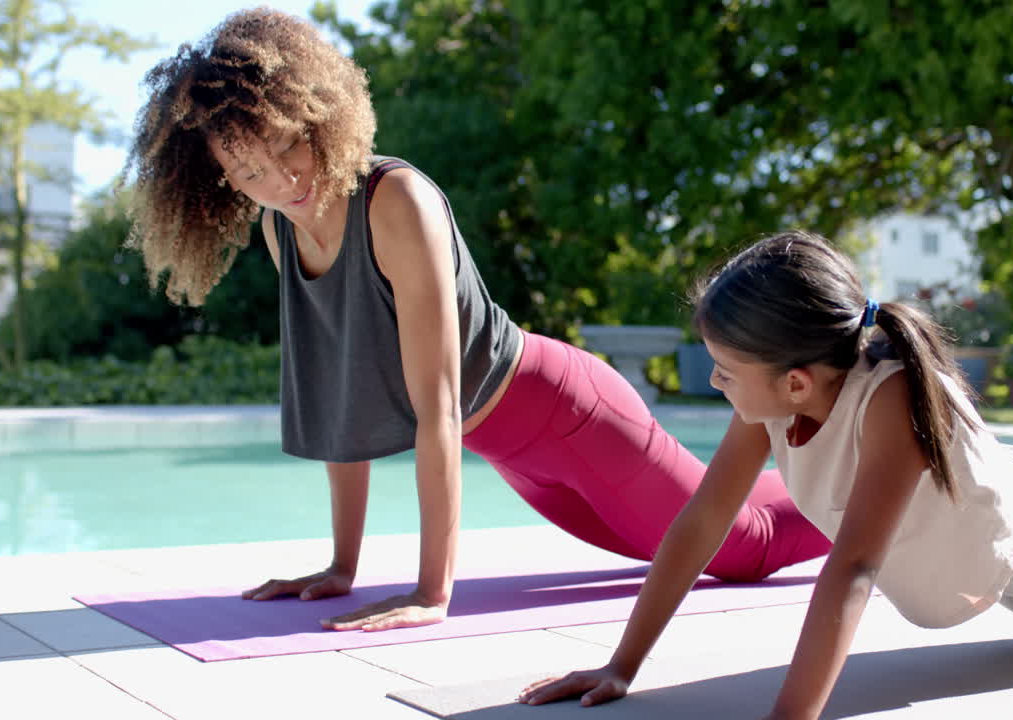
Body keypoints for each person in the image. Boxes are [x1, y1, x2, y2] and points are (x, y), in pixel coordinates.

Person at [120, 8, 830, 633]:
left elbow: (439, 408)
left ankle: (893, 479)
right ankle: (843, 468)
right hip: (521, 460)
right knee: (697, 524)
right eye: (248, 175)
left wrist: (434, 592)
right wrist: (342, 567)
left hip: (569, 416)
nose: (281, 182)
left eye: (286, 146)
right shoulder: (281, 232)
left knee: (744, 551)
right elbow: (342, 394)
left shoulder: (396, 202)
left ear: (317, 116)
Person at [519, 230, 1013, 719]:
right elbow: (701, 521)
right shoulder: (768, 407)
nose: (717, 383)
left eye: (726, 371)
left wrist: (791, 715)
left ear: (796, 381)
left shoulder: (890, 400)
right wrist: (623, 665)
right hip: (991, 571)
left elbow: (852, 566)